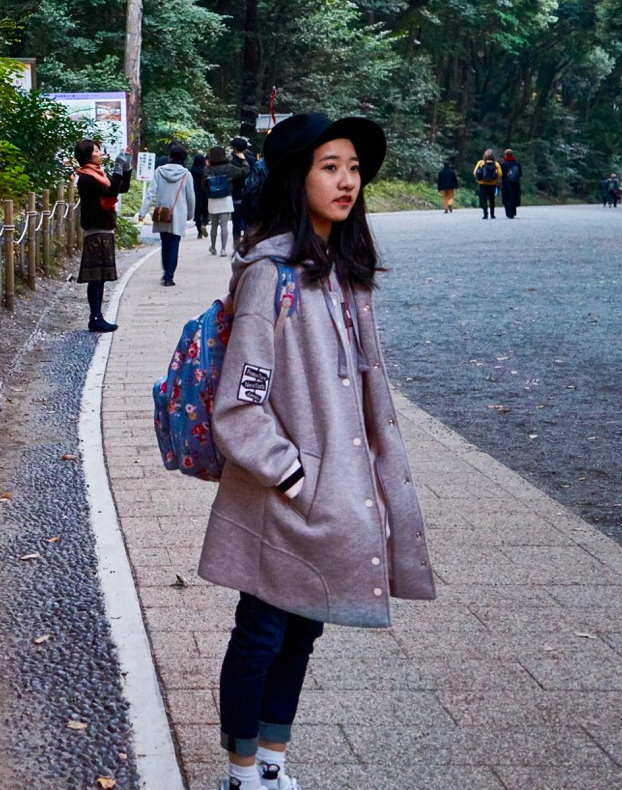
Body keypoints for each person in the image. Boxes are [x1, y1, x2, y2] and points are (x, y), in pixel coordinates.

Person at [201, 112, 436, 790]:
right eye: (330, 165)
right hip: (284, 494)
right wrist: (296, 473)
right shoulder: (270, 277)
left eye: (354, 167)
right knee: (262, 634)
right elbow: (239, 403)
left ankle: (273, 760)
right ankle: (240, 771)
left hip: (332, 491)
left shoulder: (344, 272)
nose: (347, 180)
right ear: (297, 175)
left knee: (304, 633)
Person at [75, 139, 131, 332]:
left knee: (100, 277)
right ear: (87, 156)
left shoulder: (97, 175)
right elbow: (111, 191)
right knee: (96, 277)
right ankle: (95, 317)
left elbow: (121, 189)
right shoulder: (87, 179)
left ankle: (97, 316)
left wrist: (126, 167)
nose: (100, 154)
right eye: (96, 151)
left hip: (103, 229)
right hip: (96, 230)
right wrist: (117, 167)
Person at [152, 142, 196, 287]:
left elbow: (150, 192)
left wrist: (142, 211)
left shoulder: (159, 171)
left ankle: (166, 272)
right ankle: (169, 276)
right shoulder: (186, 174)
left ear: (170, 156)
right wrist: (191, 213)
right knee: (174, 244)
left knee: (164, 243)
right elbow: (191, 196)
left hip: (162, 213)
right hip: (179, 213)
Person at [206, 145, 242, 255]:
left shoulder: (207, 169)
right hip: (226, 197)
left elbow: (204, 184)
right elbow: (244, 171)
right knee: (224, 225)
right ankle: (223, 249)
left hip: (212, 198)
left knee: (214, 225)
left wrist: (209, 192)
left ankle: (213, 247)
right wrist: (243, 160)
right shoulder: (229, 167)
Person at [233, 137, 265, 242]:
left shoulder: (232, 162)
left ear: (234, 148)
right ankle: (249, 241)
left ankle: (236, 242)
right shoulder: (254, 161)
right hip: (253, 195)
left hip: (236, 194)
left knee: (236, 221)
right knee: (250, 221)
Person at [472, 149, 501, 218]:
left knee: (483, 198)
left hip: (482, 183)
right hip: (492, 184)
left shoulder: (481, 163)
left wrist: (478, 179)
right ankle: (492, 214)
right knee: (491, 199)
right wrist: (496, 180)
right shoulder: (496, 164)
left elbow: (475, 172)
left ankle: (485, 214)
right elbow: (500, 174)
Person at [191, 150, 211, 239]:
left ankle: (199, 232)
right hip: (205, 193)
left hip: (194, 194)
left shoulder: (191, 171)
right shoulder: (206, 170)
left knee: (197, 214)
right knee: (206, 211)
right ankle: (204, 224)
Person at [500, 149, 523, 219]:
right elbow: (520, 174)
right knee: (514, 197)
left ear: (505, 155)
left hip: (507, 183)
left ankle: (509, 213)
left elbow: (501, 174)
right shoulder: (516, 163)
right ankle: (513, 212)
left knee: (507, 198)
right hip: (515, 183)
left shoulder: (504, 164)